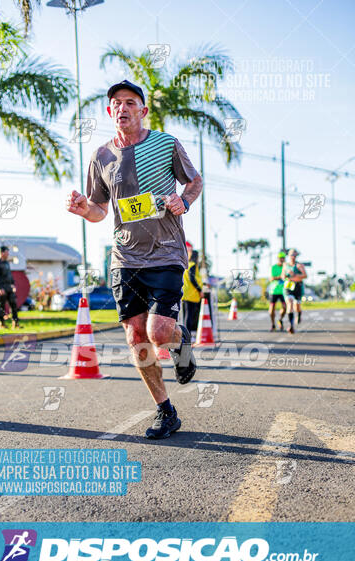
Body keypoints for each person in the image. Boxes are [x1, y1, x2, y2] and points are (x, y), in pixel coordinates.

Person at [66, 80, 203, 439]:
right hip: (125, 257)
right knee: (136, 337)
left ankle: (180, 339)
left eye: (130, 102)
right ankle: (166, 411)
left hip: (166, 252)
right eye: (116, 104)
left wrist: (183, 202)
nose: (123, 108)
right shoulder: (102, 156)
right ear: (110, 113)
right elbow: (99, 210)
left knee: (159, 332)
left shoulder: (166, 143)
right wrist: (84, 210)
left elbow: (194, 181)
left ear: (143, 110)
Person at [0, 245, 20, 329]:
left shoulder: (7, 263)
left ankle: (15, 323)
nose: (8, 254)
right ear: (2, 253)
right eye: (7, 252)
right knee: (1, 306)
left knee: (13, 304)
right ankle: (1, 324)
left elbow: (9, 276)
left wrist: (13, 285)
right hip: (1, 288)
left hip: (8, 287)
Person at [281, 248, 307, 334]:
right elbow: (282, 276)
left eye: (295, 255)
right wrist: (285, 276)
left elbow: (305, 275)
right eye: (291, 255)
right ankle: (291, 325)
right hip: (288, 287)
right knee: (289, 303)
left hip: (297, 287)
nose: (293, 257)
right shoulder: (285, 265)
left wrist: (295, 275)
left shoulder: (299, 265)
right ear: (288, 256)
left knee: (297, 307)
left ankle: (299, 314)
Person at [182, 248, 203, 342]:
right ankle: (188, 336)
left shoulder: (186, 265)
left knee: (186, 316)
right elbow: (192, 278)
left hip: (185, 294)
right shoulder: (193, 265)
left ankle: (186, 336)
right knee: (189, 316)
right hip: (192, 294)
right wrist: (200, 290)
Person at [268, 251, 287, 331]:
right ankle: (273, 324)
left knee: (285, 308)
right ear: (278, 259)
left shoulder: (286, 267)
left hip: (284, 291)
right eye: (280, 258)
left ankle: (280, 319)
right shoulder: (273, 267)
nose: (282, 259)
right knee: (272, 309)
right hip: (274, 291)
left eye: (283, 258)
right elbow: (271, 278)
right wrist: (281, 277)